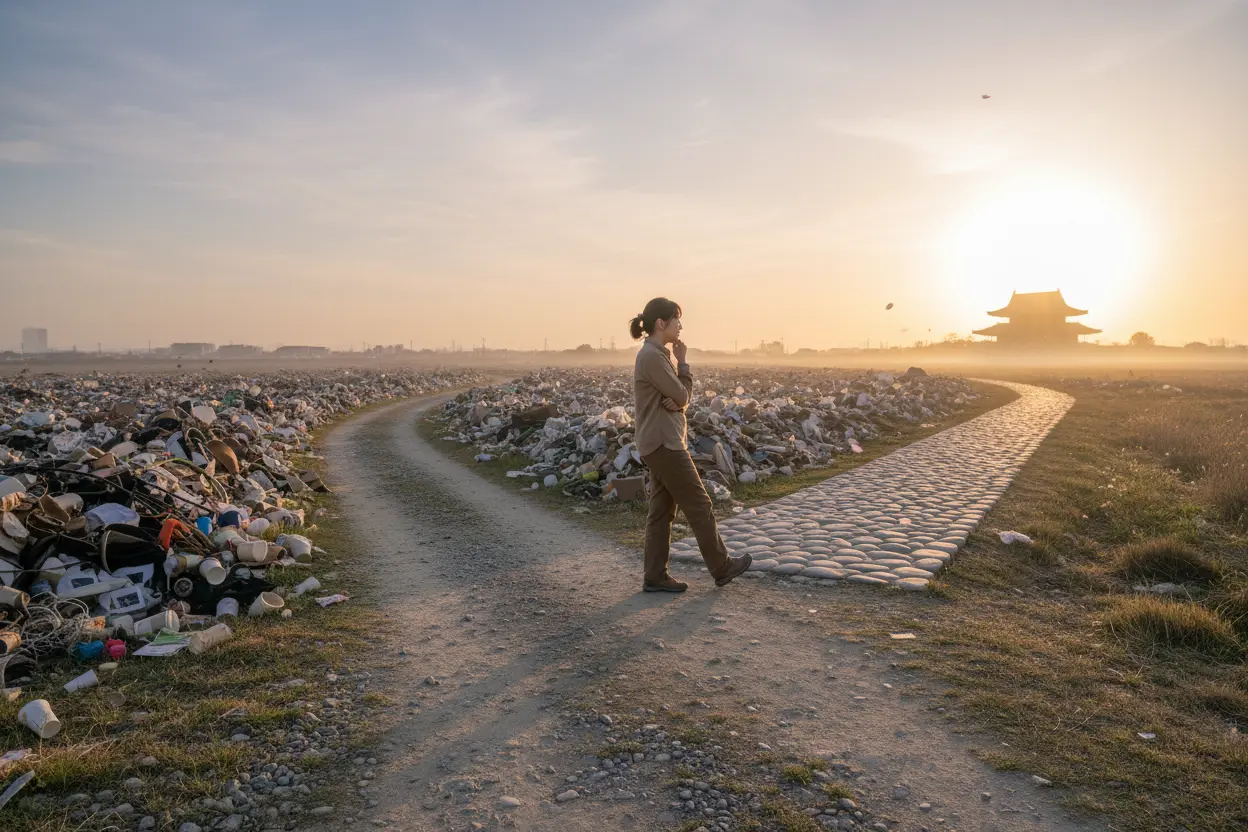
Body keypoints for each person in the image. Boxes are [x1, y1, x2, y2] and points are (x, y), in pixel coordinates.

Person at [630, 297, 752, 592]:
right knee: (699, 504)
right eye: (677, 320)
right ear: (662, 324)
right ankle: (721, 567)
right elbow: (683, 396)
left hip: (659, 440)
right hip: (665, 443)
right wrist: (683, 365)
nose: (681, 326)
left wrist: (679, 395)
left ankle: (655, 576)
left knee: (661, 511)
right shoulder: (652, 357)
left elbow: (679, 398)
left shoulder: (657, 355)